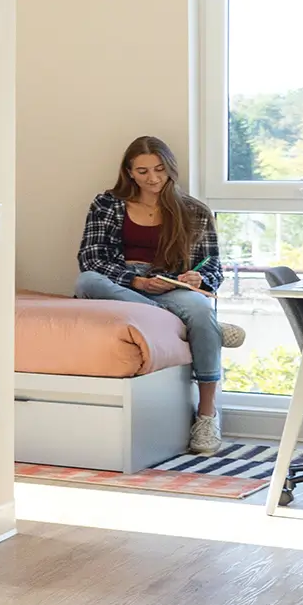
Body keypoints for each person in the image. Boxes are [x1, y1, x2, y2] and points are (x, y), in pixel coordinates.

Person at [76, 136, 243, 454]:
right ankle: (206, 329)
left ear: (170, 168)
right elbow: (91, 258)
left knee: (198, 306)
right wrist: (137, 282)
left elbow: (214, 271)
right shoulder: (107, 204)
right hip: (123, 285)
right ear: (129, 171)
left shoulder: (194, 211)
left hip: (172, 287)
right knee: (87, 282)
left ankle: (207, 415)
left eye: (159, 169)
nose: (152, 178)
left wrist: (198, 277)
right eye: (142, 171)